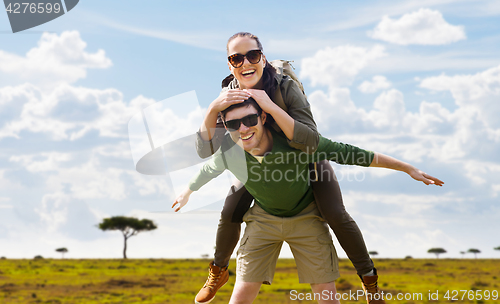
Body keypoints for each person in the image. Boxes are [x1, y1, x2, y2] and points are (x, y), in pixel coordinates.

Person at [173, 98, 443, 304]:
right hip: (263, 220)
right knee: (240, 296)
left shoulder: (297, 145)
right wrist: (187, 191)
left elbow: (353, 153)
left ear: (263, 117)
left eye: (249, 120)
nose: (243, 129)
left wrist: (406, 168)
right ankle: (218, 272)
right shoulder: (230, 153)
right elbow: (207, 169)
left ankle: (370, 281)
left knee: (327, 296)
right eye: (233, 124)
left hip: (306, 216)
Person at [192, 31, 396, 304]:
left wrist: (270, 108)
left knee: (335, 214)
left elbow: (311, 140)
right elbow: (207, 150)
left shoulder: (284, 87)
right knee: (230, 209)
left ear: (262, 58)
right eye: (236, 58)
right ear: (230, 65)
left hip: (305, 159)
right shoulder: (229, 96)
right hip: (262, 166)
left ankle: (370, 282)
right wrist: (211, 110)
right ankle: (217, 272)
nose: (245, 63)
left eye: (252, 55)